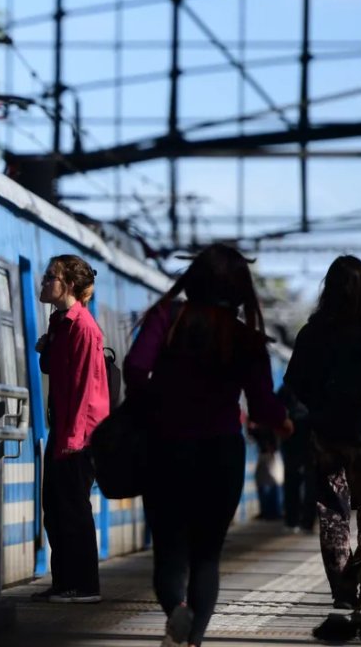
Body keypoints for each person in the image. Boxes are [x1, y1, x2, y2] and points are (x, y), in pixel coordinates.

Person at [123, 244, 294, 647]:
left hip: (166, 450)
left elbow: (134, 368)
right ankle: (193, 639)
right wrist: (282, 421)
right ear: (239, 290)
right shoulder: (245, 338)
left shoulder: (168, 318)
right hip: (220, 455)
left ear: (194, 279)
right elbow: (262, 402)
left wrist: (153, 405)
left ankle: (177, 614)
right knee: (206, 557)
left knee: (168, 553)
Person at [284, 255, 361, 608]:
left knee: (332, 514)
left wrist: (319, 405)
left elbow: (293, 383)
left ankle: (343, 590)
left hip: (326, 436)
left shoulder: (313, 331)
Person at [32, 254, 110, 604]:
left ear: (70, 285)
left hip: (79, 434)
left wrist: (74, 440)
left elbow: (85, 388)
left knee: (75, 509)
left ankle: (85, 585)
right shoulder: (60, 323)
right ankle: (64, 581)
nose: (44, 282)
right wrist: (45, 348)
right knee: (55, 507)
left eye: (51, 277)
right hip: (62, 428)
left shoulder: (83, 327)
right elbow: (53, 370)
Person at [276, 382, 316, 533]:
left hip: (291, 434)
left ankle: (292, 520)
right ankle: (307, 521)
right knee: (311, 478)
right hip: (310, 433)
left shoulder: (287, 385)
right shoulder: (316, 381)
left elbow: (276, 407)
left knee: (292, 477)